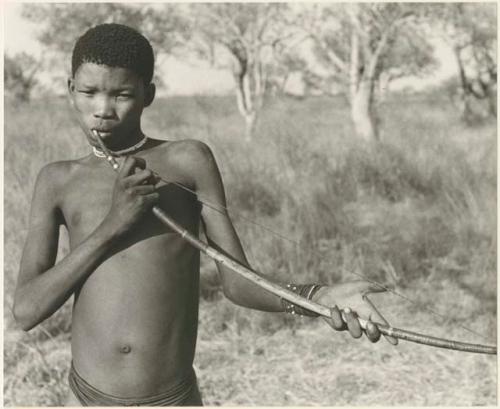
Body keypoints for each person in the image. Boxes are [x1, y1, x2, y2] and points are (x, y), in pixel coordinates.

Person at [13, 23, 396, 407]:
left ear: (149, 94)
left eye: (122, 94)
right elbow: (27, 310)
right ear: (69, 90)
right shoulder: (57, 180)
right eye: (88, 92)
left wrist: (319, 296)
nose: (102, 110)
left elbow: (238, 283)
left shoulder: (187, 161)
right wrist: (113, 225)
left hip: (172, 400)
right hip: (85, 398)